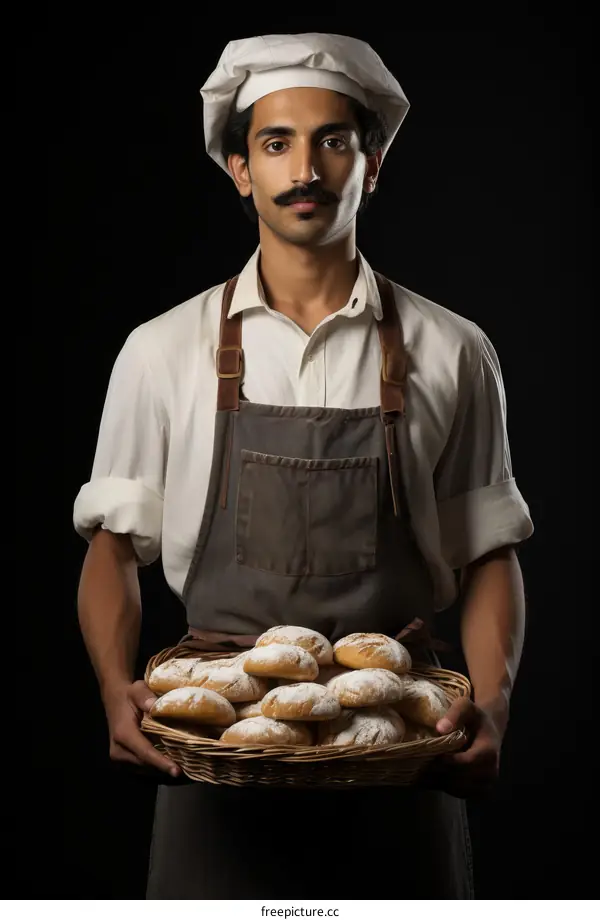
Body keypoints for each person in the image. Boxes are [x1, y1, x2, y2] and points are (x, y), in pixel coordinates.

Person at [73, 32, 534, 899]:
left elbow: (491, 553)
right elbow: (110, 546)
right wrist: (113, 690)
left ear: (373, 163)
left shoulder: (455, 350)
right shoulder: (161, 350)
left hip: (398, 753)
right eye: (276, 142)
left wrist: (494, 711)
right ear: (240, 169)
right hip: (216, 764)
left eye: (333, 139)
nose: (306, 169)